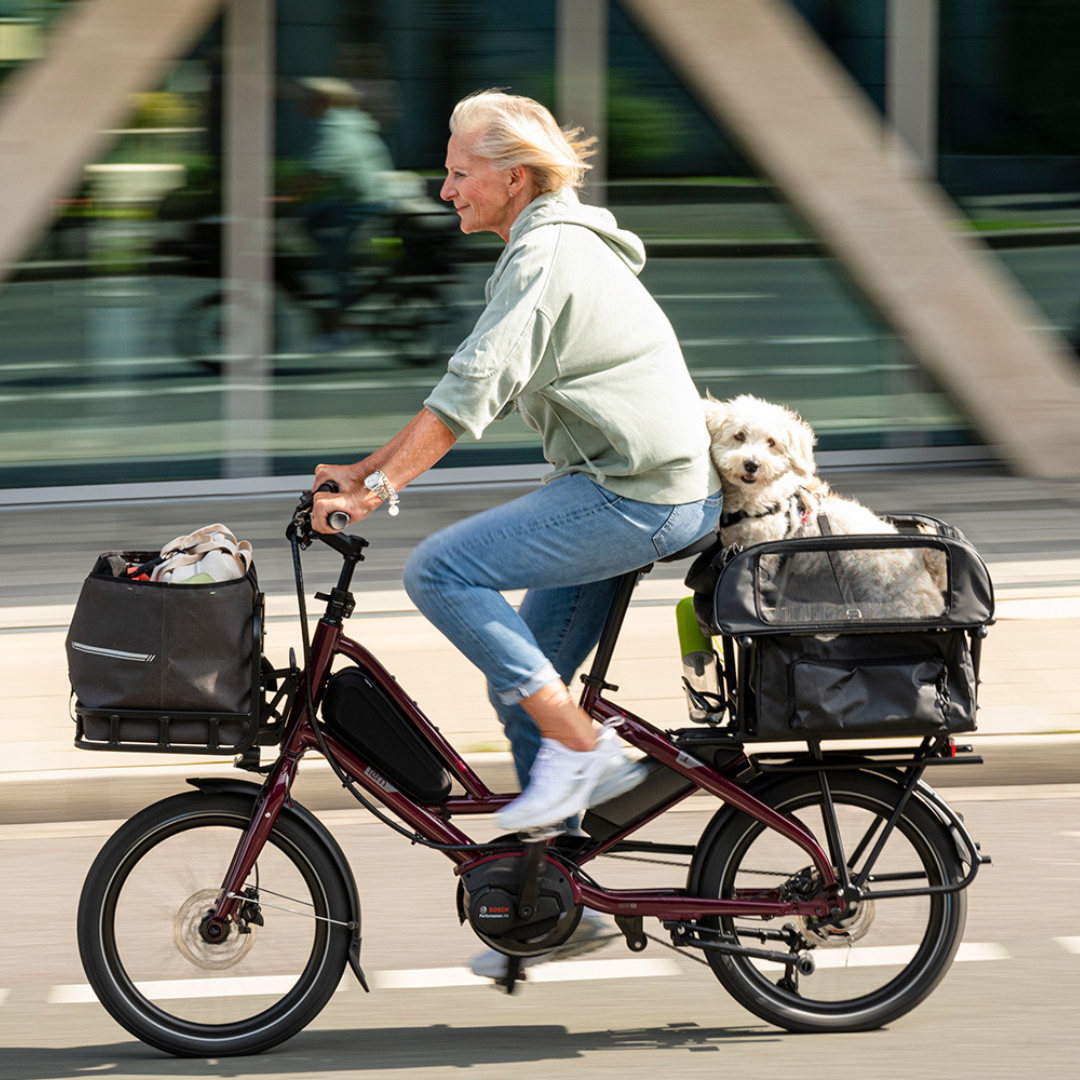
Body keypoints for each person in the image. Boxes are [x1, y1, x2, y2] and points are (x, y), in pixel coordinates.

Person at [310, 89, 720, 972]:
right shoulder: (544, 246)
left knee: (442, 572)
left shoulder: (548, 256)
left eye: (460, 173)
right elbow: (458, 390)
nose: (445, 188)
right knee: (522, 671)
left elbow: (472, 389)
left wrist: (377, 492)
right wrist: (363, 467)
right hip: (628, 484)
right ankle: (558, 905)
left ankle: (587, 750)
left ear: (514, 178)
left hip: (642, 495)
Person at [297, 77, 396, 333]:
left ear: (323, 101)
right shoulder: (351, 121)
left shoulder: (334, 127)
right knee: (310, 218)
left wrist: (283, 198)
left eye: (308, 97)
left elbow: (318, 171)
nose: (302, 102)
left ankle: (342, 304)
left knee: (332, 257)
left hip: (363, 205)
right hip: (364, 198)